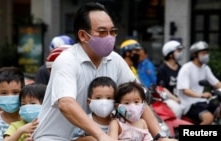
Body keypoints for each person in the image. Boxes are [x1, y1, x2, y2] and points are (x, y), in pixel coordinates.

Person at [33, 2, 177, 141]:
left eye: (112, 32)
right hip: (54, 137)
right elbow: (66, 103)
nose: (109, 37)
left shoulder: (115, 60)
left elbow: (139, 98)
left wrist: (161, 136)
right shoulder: (67, 60)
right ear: (83, 35)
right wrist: (101, 136)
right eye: (102, 32)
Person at [177, 41, 221, 125]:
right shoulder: (186, 68)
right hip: (189, 104)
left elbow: (216, 83)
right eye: (203, 53)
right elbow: (185, 90)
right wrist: (201, 95)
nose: (206, 55)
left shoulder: (205, 68)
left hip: (202, 102)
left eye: (207, 53)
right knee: (208, 118)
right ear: (194, 55)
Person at [70, 76, 117, 141]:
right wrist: (90, 139)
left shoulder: (118, 121)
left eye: (109, 98)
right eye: (98, 98)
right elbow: (74, 139)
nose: (104, 102)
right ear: (89, 102)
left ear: (115, 102)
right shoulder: (85, 121)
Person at [156, 40, 184, 118]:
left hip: (181, 98)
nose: (180, 53)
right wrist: (174, 98)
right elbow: (162, 88)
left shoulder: (181, 68)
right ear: (170, 54)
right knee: (178, 109)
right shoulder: (162, 69)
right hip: (168, 99)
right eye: (178, 51)